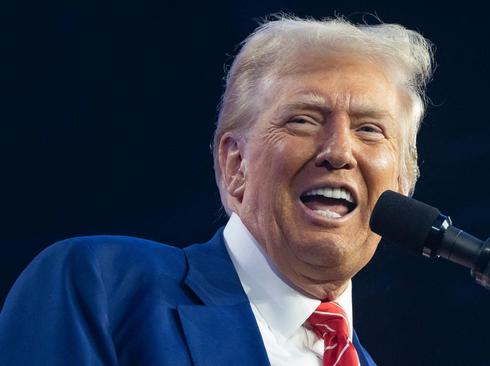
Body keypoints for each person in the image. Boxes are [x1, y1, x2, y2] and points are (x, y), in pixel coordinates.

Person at [0, 14, 433, 365]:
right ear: (235, 164)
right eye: (303, 119)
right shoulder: (103, 287)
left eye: (370, 130)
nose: (339, 151)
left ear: (401, 187)